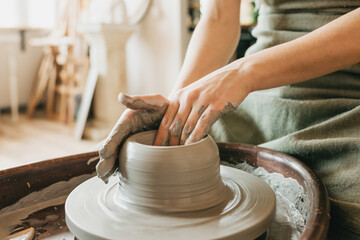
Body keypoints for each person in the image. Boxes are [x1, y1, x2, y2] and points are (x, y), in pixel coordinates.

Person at [97, 0, 360, 238]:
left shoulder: (246, 73)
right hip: (257, 93)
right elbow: (218, 16)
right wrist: (176, 110)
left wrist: (243, 73)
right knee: (162, 162)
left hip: (348, 97)